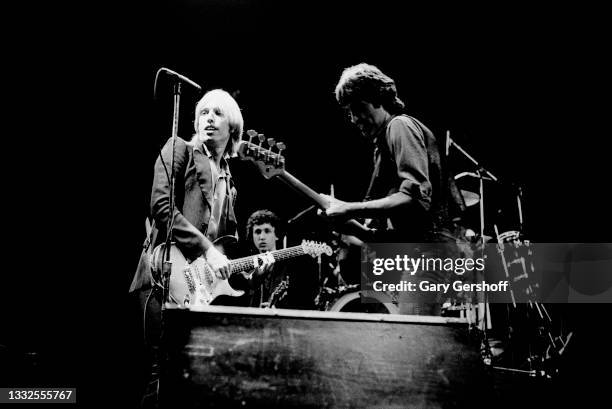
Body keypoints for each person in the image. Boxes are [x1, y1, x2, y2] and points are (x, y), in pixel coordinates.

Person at [127, 89, 272, 406]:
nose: (209, 118)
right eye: (204, 112)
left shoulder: (229, 181)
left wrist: (250, 276)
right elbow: (161, 208)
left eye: (217, 113)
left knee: (190, 377)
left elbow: (225, 252)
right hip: (163, 277)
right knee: (158, 374)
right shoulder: (180, 149)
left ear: (233, 126)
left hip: (198, 290)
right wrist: (207, 250)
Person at [321, 63, 467, 315]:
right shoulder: (383, 145)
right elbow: (383, 235)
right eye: (349, 112)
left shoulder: (400, 126)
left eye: (357, 108)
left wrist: (350, 208)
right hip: (416, 252)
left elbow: (415, 198)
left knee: (412, 338)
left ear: (377, 98)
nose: (354, 119)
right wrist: (346, 222)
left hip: (431, 250)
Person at [245, 209, 319, 309]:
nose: (262, 237)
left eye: (267, 231)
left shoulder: (291, 266)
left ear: (276, 235)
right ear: (252, 236)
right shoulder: (248, 269)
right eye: (257, 232)